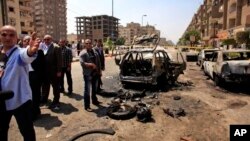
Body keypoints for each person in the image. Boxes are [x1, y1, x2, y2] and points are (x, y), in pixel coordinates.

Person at [0, 25, 40, 141]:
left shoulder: (19, 53)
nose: (8, 37)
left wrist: (31, 51)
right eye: (4, 34)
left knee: (27, 131)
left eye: (11, 35)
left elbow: (26, 55)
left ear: (17, 38)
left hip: (20, 100)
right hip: (2, 101)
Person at [22, 35, 45, 120]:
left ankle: (35, 112)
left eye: (29, 40)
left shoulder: (39, 52)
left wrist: (42, 79)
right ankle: (31, 111)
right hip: (24, 78)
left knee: (35, 95)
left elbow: (43, 67)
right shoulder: (19, 52)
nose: (28, 42)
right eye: (25, 41)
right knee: (27, 96)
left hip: (35, 77)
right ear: (22, 42)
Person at [40, 35, 62, 110]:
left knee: (55, 87)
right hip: (45, 72)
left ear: (51, 39)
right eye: (45, 39)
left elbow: (59, 60)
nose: (46, 41)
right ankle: (44, 99)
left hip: (54, 71)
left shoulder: (56, 47)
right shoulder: (42, 47)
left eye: (48, 39)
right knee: (45, 86)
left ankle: (56, 101)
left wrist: (59, 71)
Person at [79, 39, 101, 111]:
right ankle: (87, 106)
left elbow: (98, 62)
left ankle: (94, 100)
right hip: (88, 74)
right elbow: (82, 63)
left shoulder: (95, 52)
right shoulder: (83, 53)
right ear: (85, 44)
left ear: (91, 44)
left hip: (95, 73)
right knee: (87, 90)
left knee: (94, 88)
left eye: (89, 43)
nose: (88, 44)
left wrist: (99, 71)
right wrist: (90, 64)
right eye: (87, 43)